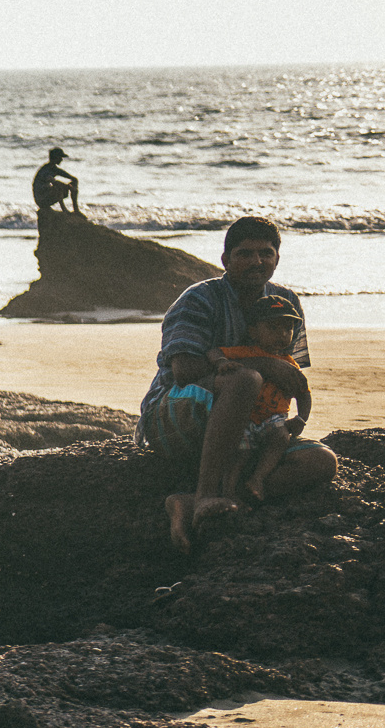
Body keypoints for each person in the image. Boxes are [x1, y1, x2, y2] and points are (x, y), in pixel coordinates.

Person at [138, 216, 338, 552]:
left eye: (266, 253)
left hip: (248, 429)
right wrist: (259, 364)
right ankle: (205, 495)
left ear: (277, 258)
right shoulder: (199, 298)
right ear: (226, 260)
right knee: (246, 379)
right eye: (245, 253)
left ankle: (201, 498)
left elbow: (287, 374)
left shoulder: (284, 301)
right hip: (178, 417)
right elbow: (184, 369)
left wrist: (291, 421)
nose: (257, 261)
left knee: (322, 461)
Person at [208, 296, 312, 505]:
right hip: (244, 418)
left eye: (287, 329)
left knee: (280, 438)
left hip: (273, 419)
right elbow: (214, 351)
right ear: (253, 331)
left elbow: (304, 392)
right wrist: (221, 362)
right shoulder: (245, 353)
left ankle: (257, 479)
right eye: (273, 328)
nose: (282, 335)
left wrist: (301, 418)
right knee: (239, 453)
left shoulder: (291, 364)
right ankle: (228, 491)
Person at [33, 147, 80, 214]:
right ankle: (64, 209)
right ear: (56, 158)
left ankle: (76, 209)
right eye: (60, 157)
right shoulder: (45, 170)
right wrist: (68, 187)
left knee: (71, 182)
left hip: (47, 194)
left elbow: (72, 178)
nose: (61, 160)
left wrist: (73, 183)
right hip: (41, 199)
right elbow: (55, 183)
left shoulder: (54, 168)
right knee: (58, 187)